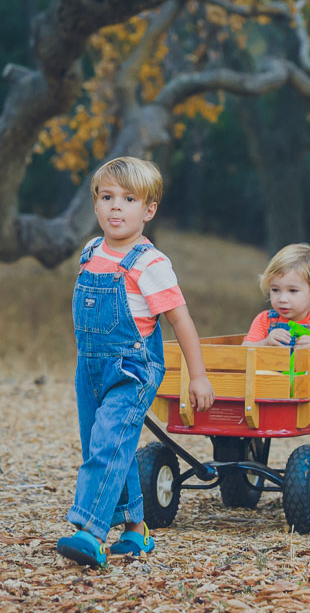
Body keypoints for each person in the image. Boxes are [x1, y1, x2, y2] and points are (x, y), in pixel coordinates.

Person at [56, 157, 214, 567]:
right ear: (95, 204)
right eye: (107, 197)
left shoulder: (149, 263)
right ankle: (134, 530)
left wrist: (198, 377)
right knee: (107, 444)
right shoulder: (91, 250)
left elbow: (181, 320)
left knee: (107, 444)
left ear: (149, 210)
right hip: (90, 368)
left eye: (128, 199)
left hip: (133, 371)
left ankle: (89, 531)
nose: (115, 207)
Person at [242, 243, 310, 347]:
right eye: (275, 290)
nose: (282, 299)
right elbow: (243, 351)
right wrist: (265, 343)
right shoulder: (265, 320)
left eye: (292, 291)